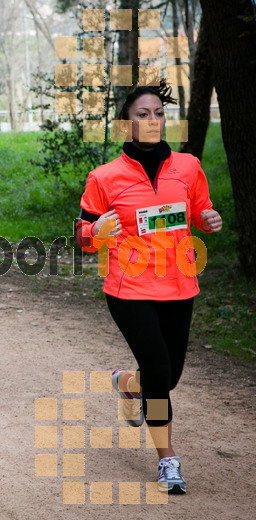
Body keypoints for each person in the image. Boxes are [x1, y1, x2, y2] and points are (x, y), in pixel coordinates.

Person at [76, 80, 222, 495]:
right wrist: (96, 230)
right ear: (126, 126)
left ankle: (128, 383)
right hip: (129, 289)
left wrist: (208, 218)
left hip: (180, 285)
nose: (154, 121)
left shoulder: (189, 167)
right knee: (158, 370)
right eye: (143, 114)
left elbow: (198, 209)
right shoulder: (104, 178)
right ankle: (168, 459)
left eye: (159, 113)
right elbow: (84, 239)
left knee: (168, 376)